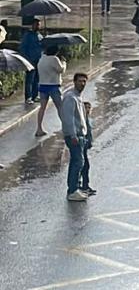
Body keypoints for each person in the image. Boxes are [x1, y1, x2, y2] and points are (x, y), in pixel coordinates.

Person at [60, 69, 94, 200]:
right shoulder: (70, 97)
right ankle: (72, 190)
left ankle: (76, 188)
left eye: (84, 81)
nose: (82, 83)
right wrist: (73, 135)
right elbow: (68, 119)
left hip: (81, 136)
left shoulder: (77, 96)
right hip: (74, 137)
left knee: (79, 162)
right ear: (74, 82)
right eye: (80, 81)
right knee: (77, 163)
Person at [35, 43, 66, 136]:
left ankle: (39, 128)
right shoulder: (54, 59)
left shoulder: (42, 58)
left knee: (42, 108)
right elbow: (61, 70)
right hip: (53, 86)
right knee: (60, 107)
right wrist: (64, 63)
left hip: (42, 86)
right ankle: (65, 126)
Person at [20, 17, 43, 105]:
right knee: (30, 79)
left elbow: (42, 47)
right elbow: (23, 47)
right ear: (33, 25)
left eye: (39, 25)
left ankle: (35, 95)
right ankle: (28, 97)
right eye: (37, 24)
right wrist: (25, 58)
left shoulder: (40, 35)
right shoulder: (28, 35)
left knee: (37, 79)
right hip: (30, 60)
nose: (38, 26)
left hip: (38, 60)